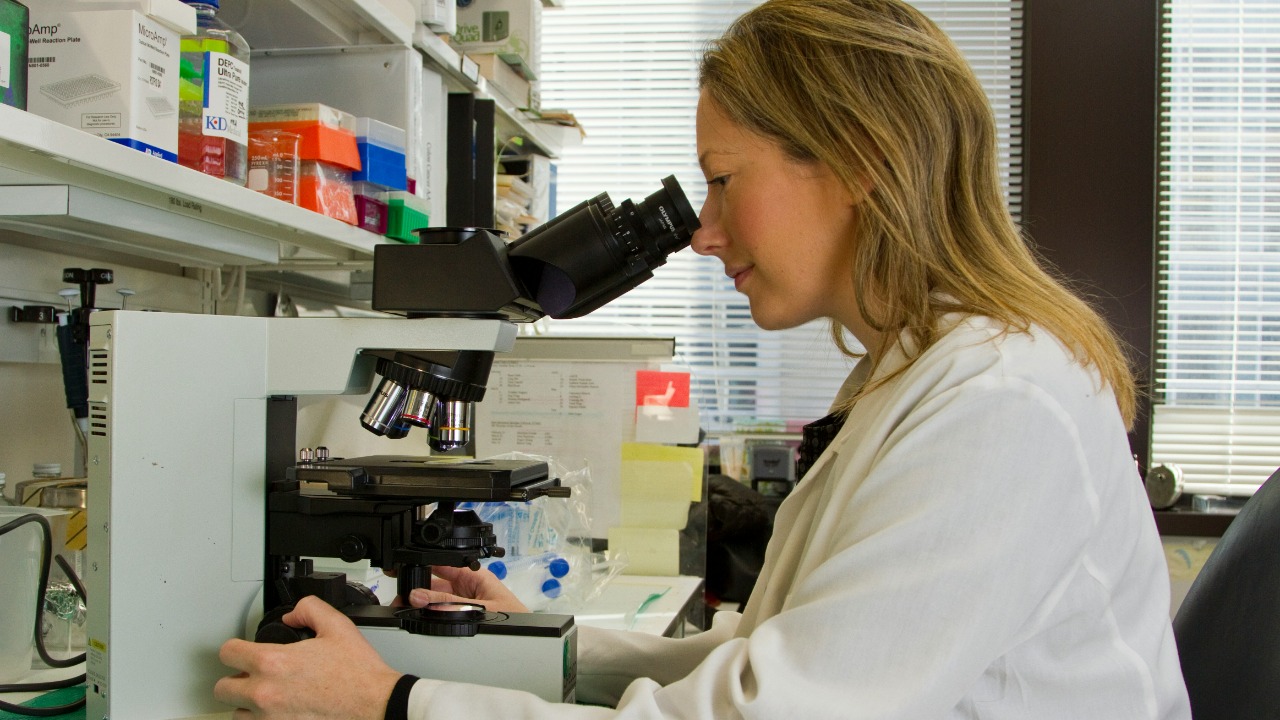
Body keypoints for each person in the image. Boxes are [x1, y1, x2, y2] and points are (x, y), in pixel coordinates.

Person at [214, 0, 1192, 717]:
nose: (702, 232)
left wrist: (394, 704)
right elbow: (769, 662)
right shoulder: (925, 374)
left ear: (858, 159)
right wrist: (545, 641)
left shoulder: (999, 404)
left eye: (723, 181)